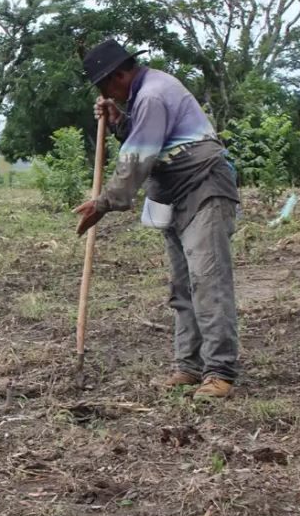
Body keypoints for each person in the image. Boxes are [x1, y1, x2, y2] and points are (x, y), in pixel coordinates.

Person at [73, 39, 241, 399]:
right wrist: (120, 121)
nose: (107, 95)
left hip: (204, 188)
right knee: (182, 286)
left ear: (119, 75)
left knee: (207, 280)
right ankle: (189, 366)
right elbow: (147, 138)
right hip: (173, 193)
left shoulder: (151, 95)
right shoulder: (144, 96)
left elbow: (138, 157)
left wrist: (102, 204)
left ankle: (220, 372)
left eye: (105, 87)